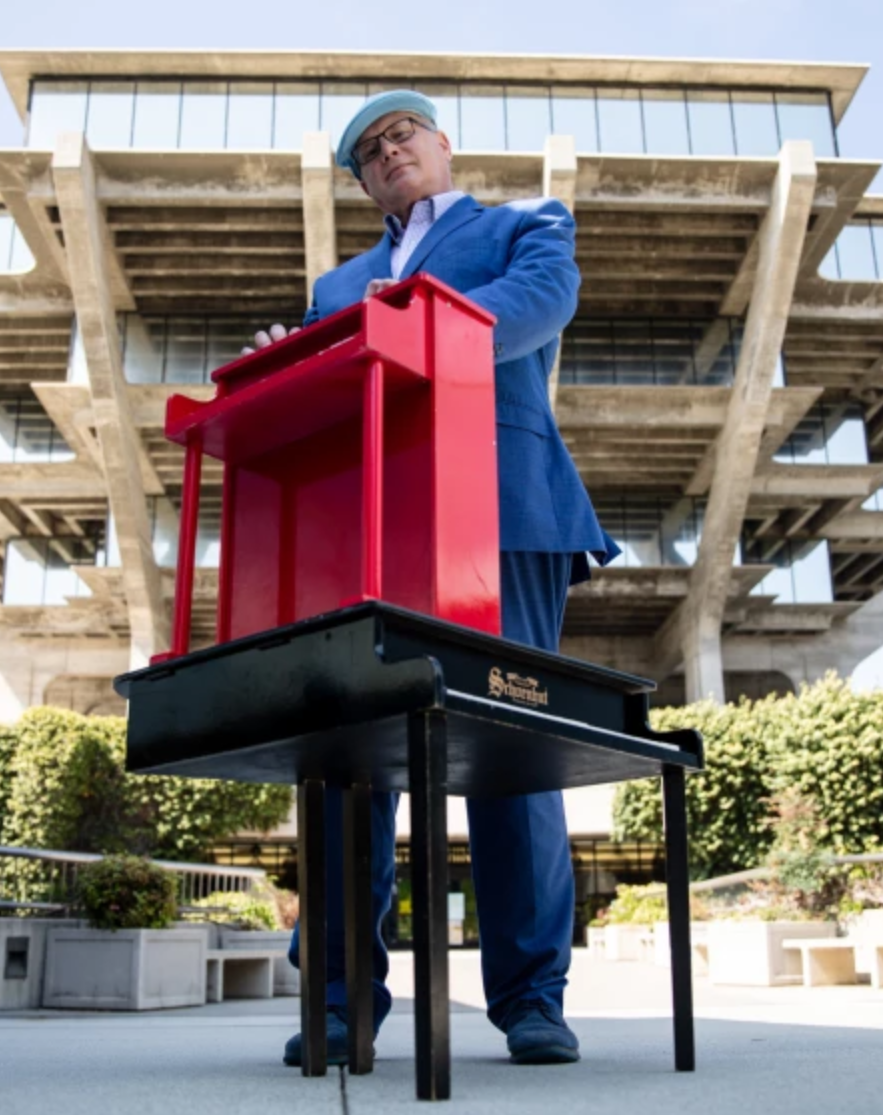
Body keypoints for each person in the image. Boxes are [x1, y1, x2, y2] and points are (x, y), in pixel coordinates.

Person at [243, 90, 620, 1067]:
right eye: (367, 150)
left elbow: (534, 307)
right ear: (361, 183)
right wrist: (272, 374)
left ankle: (531, 996)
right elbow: (318, 390)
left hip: (506, 509)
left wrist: (395, 339)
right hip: (367, 529)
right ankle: (338, 993)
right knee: (348, 755)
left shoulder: (524, 225)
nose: (388, 150)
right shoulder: (335, 286)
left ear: (441, 144)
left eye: (402, 131)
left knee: (512, 745)